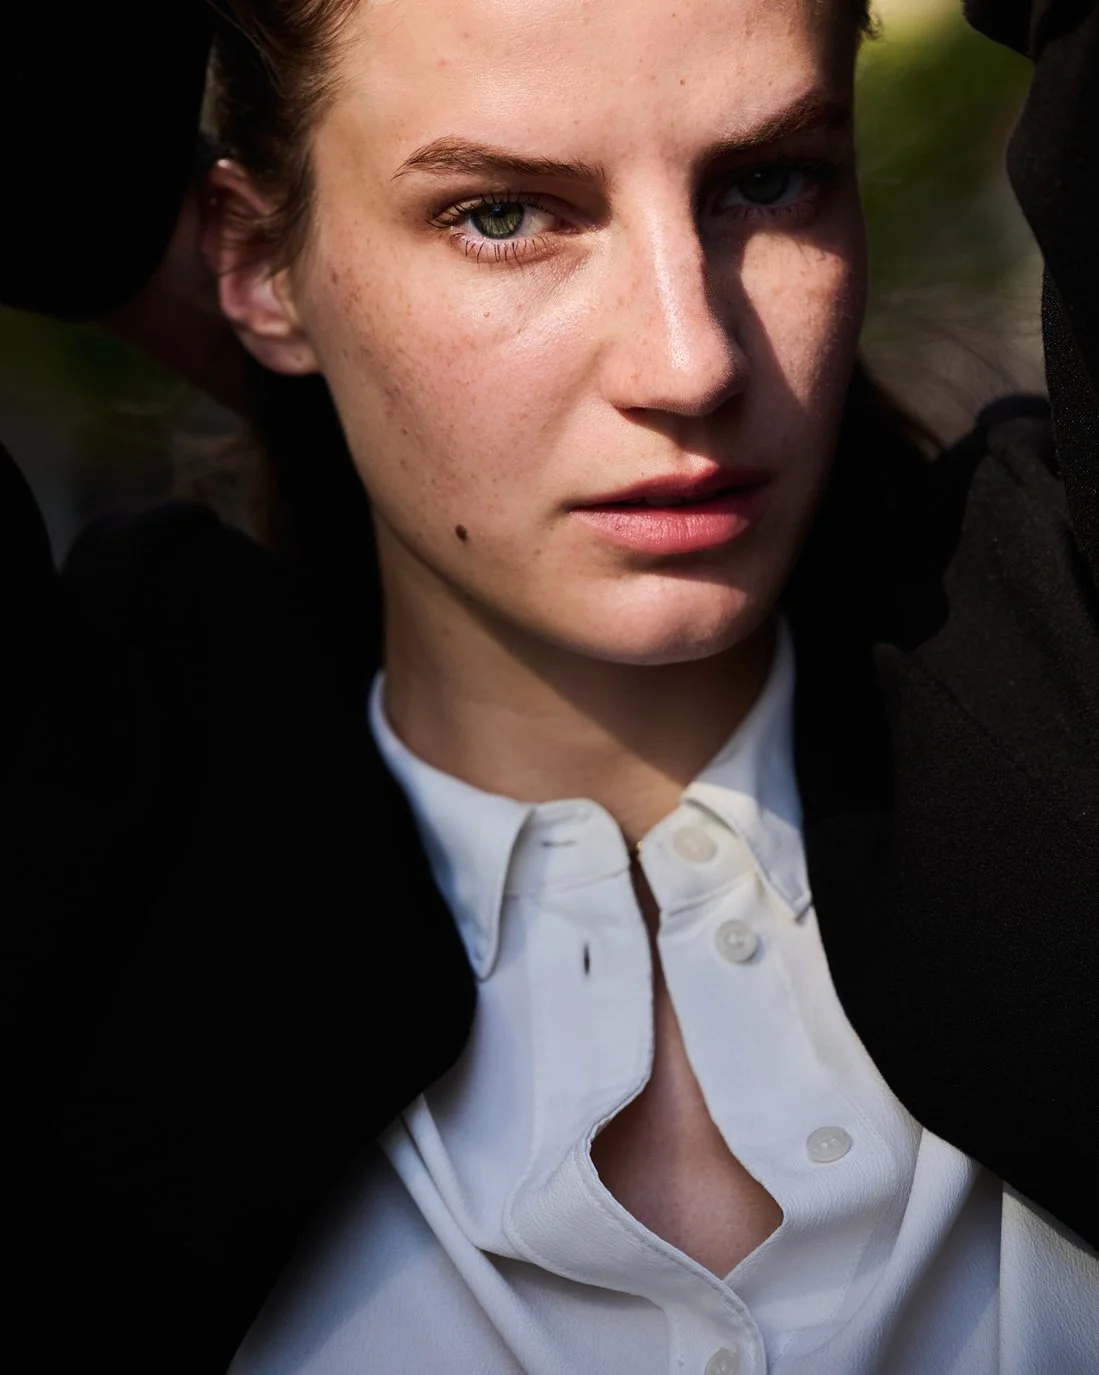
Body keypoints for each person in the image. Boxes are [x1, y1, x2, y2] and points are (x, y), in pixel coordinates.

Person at [3, 0, 1099, 1371]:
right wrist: (121, 241)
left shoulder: (1067, 699)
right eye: (504, 215)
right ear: (251, 257)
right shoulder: (77, 878)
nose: (688, 360)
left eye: (767, 181)